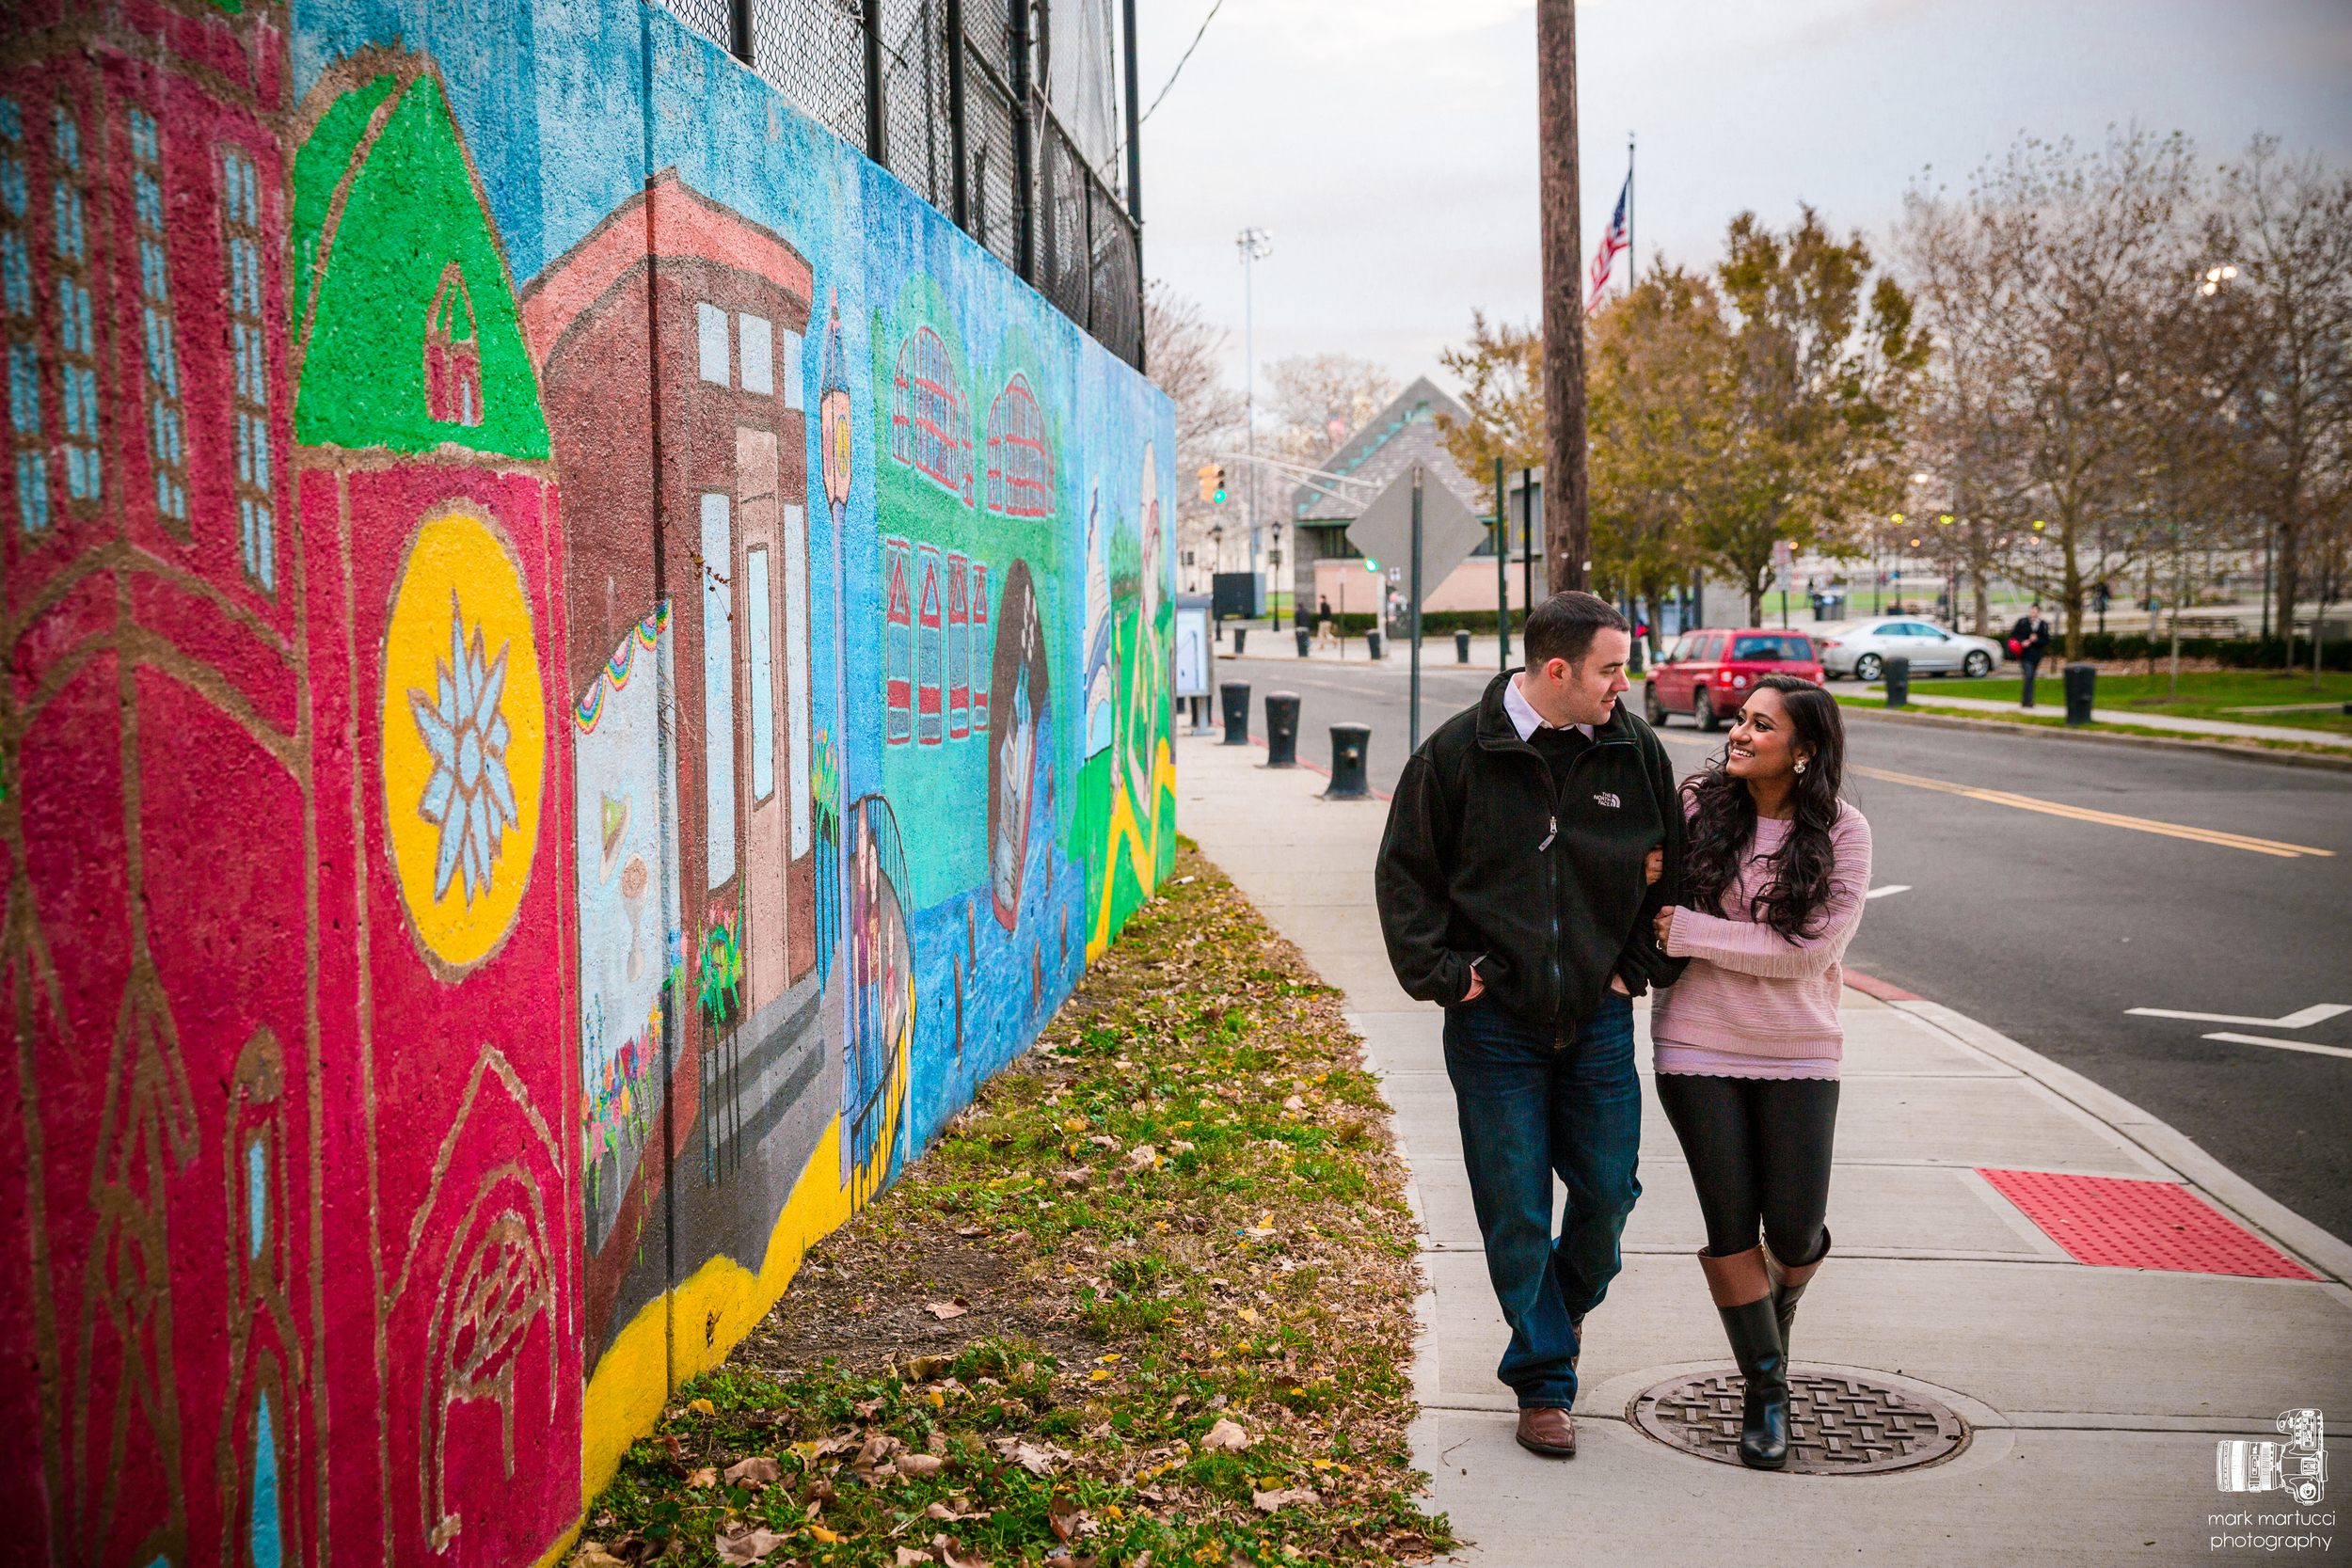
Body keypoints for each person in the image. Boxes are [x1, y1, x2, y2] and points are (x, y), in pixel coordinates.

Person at [1375, 591, 1683, 1459]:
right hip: (1495, 1026)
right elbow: (1406, 873)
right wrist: (1445, 976)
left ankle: (1553, 1312)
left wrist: (1636, 966)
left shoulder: (1632, 749)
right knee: (1513, 1209)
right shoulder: (1459, 754)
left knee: (1609, 1193)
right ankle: (1545, 1380)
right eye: (1611, 669)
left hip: (1595, 1019)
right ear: (1558, 671)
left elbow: (1675, 870)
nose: (1625, 684)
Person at [1649, 674, 1870, 1470]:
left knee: (1797, 1230)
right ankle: (1766, 1390)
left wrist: (1694, 930)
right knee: (1731, 1227)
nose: (1738, 733)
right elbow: (1648, 909)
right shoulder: (1697, 808)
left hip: (1799, 1051)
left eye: (1761, 725)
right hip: (1696, 1046)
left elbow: (1810, 951)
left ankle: (1775, 1308)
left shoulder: (1845, 832)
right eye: (1740, 720)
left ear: (1804, 751)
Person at [2009, 603, 2052, 707]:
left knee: (2031, 677)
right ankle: (2028, 700)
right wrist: (2022, 642)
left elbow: (2046, 640)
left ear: (2038, 612)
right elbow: (2013, 635)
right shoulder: (2022, 622)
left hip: (2036, 655)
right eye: (2032, 611)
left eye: (2035, 611)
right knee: (2028, 675)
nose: (2033, 613)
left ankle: (2026, 700)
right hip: (2024, 655)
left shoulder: (2043, 624)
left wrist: (2037, 640)